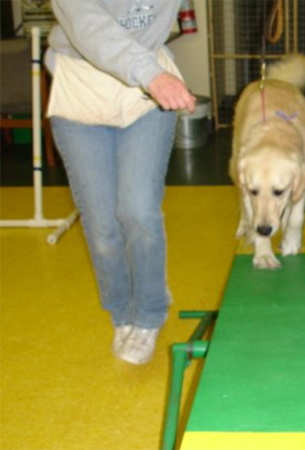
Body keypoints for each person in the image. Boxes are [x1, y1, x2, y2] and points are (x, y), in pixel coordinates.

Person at [45, 0, 196, 365]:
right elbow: (88, 25)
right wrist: (149, 73)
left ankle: (148, 313)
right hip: (82, 92)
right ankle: (122, 312)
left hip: (146, 97)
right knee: (102, 226)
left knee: (138, 211)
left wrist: (151, 74)